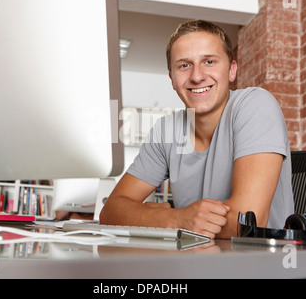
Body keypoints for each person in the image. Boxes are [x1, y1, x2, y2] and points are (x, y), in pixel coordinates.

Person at [100, 19, 294, 239]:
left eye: (209, 61)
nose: (197, 76)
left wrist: (148, 216)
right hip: (198, 261)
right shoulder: (167, 129)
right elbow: (111, 211)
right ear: (172, 80)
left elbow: (246, 224)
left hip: (260, 266)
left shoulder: (255, 105)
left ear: (232, 70)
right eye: (184, 65)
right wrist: (176, 219)